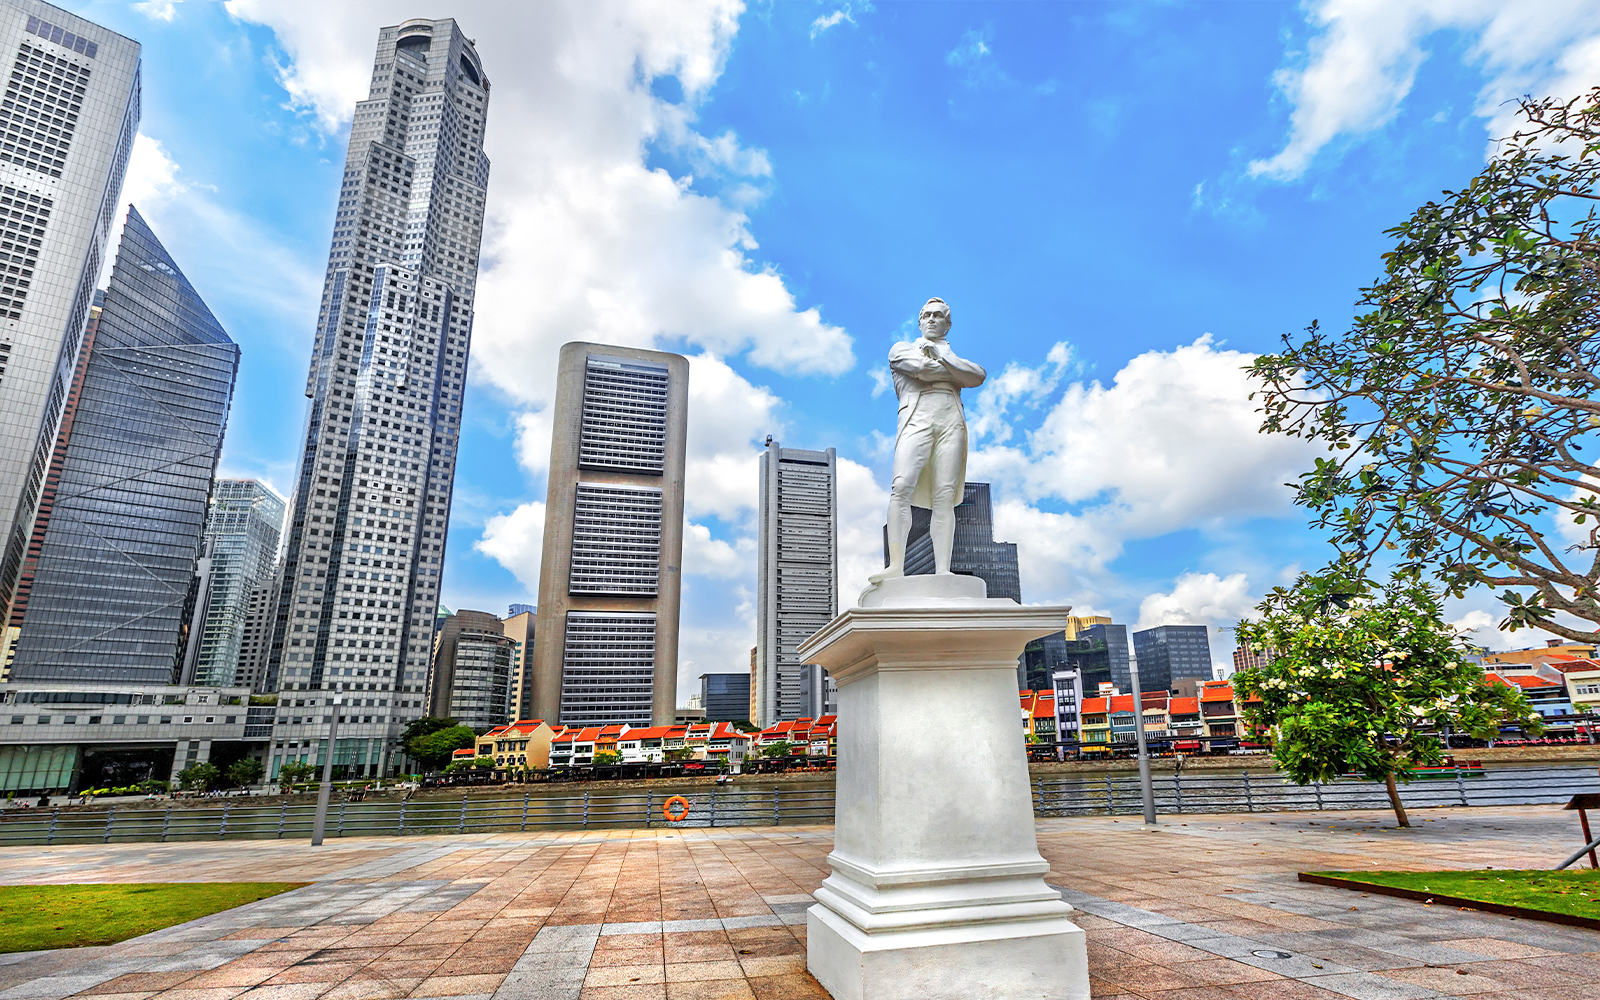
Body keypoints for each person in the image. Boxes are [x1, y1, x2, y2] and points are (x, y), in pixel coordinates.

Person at [869, 297, 986, 587]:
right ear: (920, 321)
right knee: (901, 486)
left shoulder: (947, 354)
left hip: (951, 421)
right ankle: (896, 566)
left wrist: (942, 356)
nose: (932, 319)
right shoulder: (901, 349)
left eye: (939, 316)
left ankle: (943, 569)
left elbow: (978, 376)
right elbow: (922, 370)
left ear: (948, 324)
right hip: (916, 418)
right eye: (927, 315)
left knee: (944, 496)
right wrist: (956, 372)